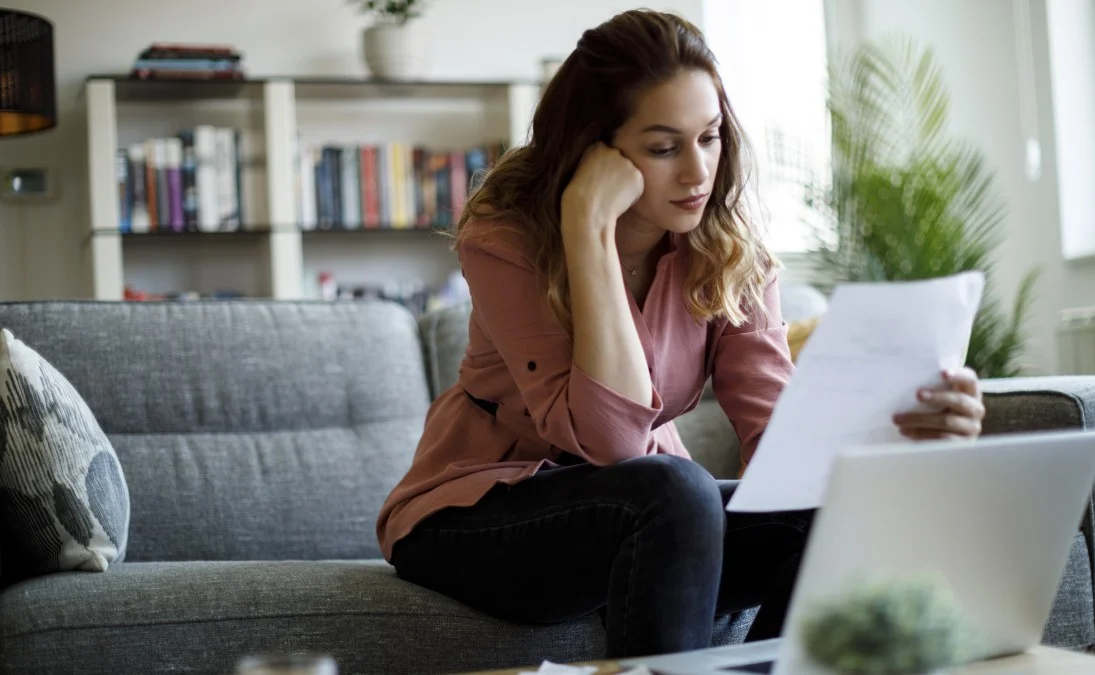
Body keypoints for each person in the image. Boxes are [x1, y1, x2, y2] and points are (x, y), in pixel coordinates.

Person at [376, 9, 987, 660]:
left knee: (825, 513)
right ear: (592, 151)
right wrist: (588, 226)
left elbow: (783, 451)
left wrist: (907, 434)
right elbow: (612, 442)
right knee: (675, 490)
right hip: (478, 510)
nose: (698, 172)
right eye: (665, 148)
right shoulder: (507, 240)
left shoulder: (728, 253)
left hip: (652, 511)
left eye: (710, 137)